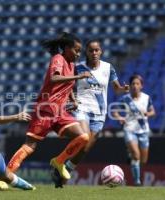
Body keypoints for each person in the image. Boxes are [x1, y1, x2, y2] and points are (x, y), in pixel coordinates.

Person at [0, 32, 92, 190]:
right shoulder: (58, 59)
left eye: (80, 51)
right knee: (30, 146)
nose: (78, 54)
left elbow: (68, 87)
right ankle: (4, 178)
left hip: (60, 113)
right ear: (66, 48)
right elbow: (54, 79)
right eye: (76, 50)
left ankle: (59, 161)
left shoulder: (72, 65)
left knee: (83, 137)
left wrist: (73, 101)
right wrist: (79, 77)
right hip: (45, 110)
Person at [52, 39, 129, 187]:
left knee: (85, 148)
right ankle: (60, 162)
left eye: (97, 50)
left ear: (101, 51)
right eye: (91, 50)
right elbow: (66, 86)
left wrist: (123, 89)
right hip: (82, 109)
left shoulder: (108, 68)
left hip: (99, 114)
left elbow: (116, 88)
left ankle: (64, 169)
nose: (94, 53)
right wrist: (72, 100)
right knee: (84, 138)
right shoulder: (78, 67)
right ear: (86, 52)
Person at [112, 75, 155, 186]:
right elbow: (114, 111)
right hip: (130, 129)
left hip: (143, 131)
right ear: (130, 86)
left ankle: (131, 157)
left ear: (141, 86)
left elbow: (152, 111)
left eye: (137, 84)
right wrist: (119, 117)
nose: (135, 86)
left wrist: (148, 114)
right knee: (136, 155)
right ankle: (137, 181)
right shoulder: (125, 99)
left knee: (143, 160)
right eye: (133, 84)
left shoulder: (146, 98)